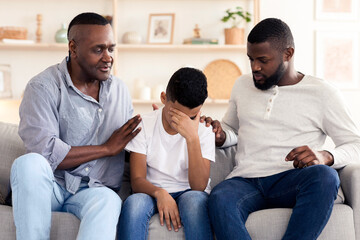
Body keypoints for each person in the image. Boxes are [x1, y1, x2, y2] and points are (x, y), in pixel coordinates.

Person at [205, 18, 360, 240]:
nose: (255, 67)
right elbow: (232, 129)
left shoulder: (323, 93)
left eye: (263, 60)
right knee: (220, 197)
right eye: (250, 59)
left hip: (292, 179)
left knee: (325, 177)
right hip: (246, 180)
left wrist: (326, 155)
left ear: (288, 54)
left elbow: (356, 144)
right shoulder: (242, 85)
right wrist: (221, 136)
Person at [10, 12, 141, 240]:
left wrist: (163, 126)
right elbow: (46, 153)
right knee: (28, 163)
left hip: (93, 191)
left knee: (108, 201)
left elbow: (130, 144)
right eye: (98, 49)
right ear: (73, 47)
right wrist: (106, 149)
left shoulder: (120, 90)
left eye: (111, 49)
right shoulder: (42, 87)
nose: (108, 57)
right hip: (51, 187)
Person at [118, 67, 215, 240]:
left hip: (189, 192)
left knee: (195, 202)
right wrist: (160, 193)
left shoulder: (204, 131)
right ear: (163, 98)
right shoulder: (144, 125)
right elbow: (137, 181)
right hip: (152, 192)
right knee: (134, 204)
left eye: (191, 117)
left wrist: (192, 138)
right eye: (177, 115)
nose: (183, 123)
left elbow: (198, 187)